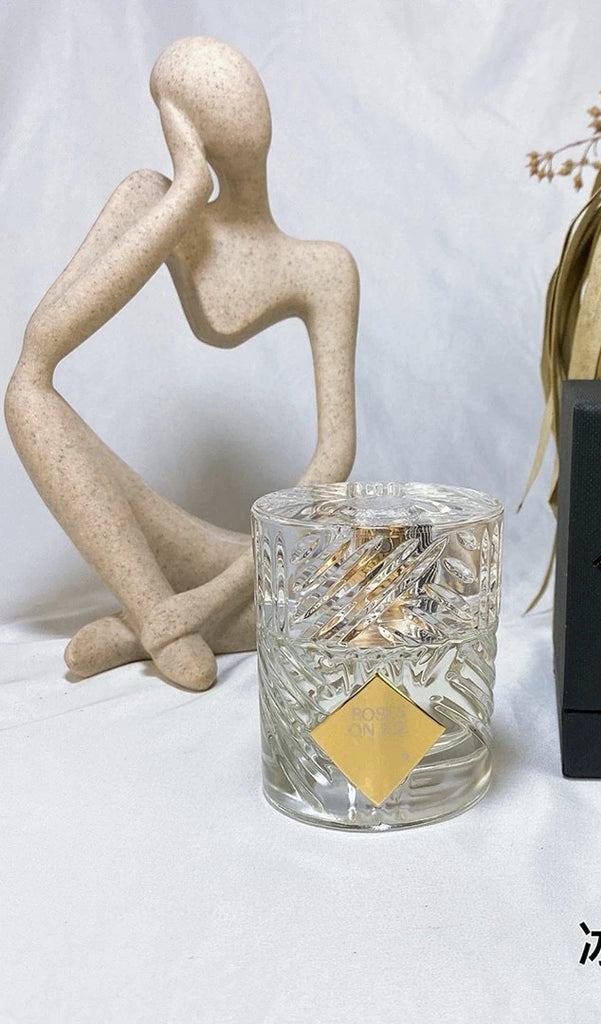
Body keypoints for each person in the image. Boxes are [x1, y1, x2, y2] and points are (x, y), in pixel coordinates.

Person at [5, 37, 358, 691]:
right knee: (25, 394)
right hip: (185, 543)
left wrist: (209, 597)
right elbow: (40, 347)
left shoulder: (324, 268)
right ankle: (154, 616)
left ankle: (151, 626)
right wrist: (187, 191)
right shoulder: (154, 201)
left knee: (351, 592)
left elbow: (334, 457)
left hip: (261, 553)